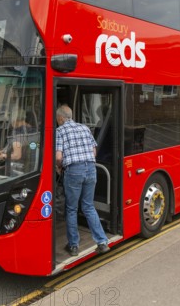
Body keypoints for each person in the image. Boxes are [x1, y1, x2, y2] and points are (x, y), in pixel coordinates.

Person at [55, 105, 110, 257]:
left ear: (60, 118)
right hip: (91, 169)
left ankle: (73, 246)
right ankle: (102, 242)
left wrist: (58, 168)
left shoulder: (60, 131)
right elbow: (94, 151)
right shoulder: (84, 128)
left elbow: (58, 157)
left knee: (72, 209)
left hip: (73, 171)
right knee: (88, 206)